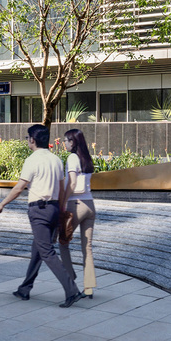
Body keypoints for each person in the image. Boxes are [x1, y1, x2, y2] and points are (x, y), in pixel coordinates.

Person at [0, 124, 83, 308]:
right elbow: (60, 187)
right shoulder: (56, 160)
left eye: (28, 138)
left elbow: (20, 187)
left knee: (47, 252)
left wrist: (2, 203)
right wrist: (60, 214)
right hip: (53, 209)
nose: (27, 141)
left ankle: (72, 290)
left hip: (39, 211)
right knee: (39, 249)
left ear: (32, 140)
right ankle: (25, 288)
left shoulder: (32, 160)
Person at [59, 127, 97, 298]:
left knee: (62, 241)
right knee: (87, 248)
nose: (64, 144)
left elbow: (72, 184)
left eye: (66, 141)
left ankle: (71, 279)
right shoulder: (86, 158)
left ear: (72, 142)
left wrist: (63, 203)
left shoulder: (72, 158)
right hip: (90, 205)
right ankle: (88, 288)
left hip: (76, 204)